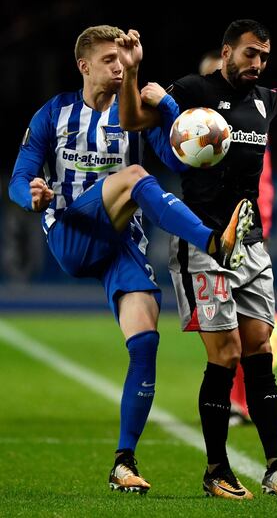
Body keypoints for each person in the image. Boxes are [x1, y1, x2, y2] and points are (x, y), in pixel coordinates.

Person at [116, 0, 277, 502]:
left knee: (260, 349)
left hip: (249, 246)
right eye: (249, 54)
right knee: (226, 354)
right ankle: (217, 468)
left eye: (264, 56)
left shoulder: (264, 102)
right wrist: (132, 74)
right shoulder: (194, 89)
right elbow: (133, 119)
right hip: (201, 244)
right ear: (227, 53)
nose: (258, 64)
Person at [8, 25, 255, 495]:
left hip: (122, 242)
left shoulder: (135, 116)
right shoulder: (54, 114)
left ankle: (124, 461)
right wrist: (31, 195)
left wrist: (165, 105)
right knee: (135, 174)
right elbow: (19, 177)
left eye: (123, 61)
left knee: (145, 341)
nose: (119, 68)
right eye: (109, 61)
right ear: (84, 66)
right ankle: (213, 242)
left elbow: (184, 160)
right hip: (71, 234)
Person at [198, 49, 277, 427]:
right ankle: (238, 402)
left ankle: (242, 402)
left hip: (248, 237)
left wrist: (261, 227)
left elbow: (261, 185)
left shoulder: (250, 131)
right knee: (231, 334)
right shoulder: (202, 134)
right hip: (217, 237)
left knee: (251, 332)